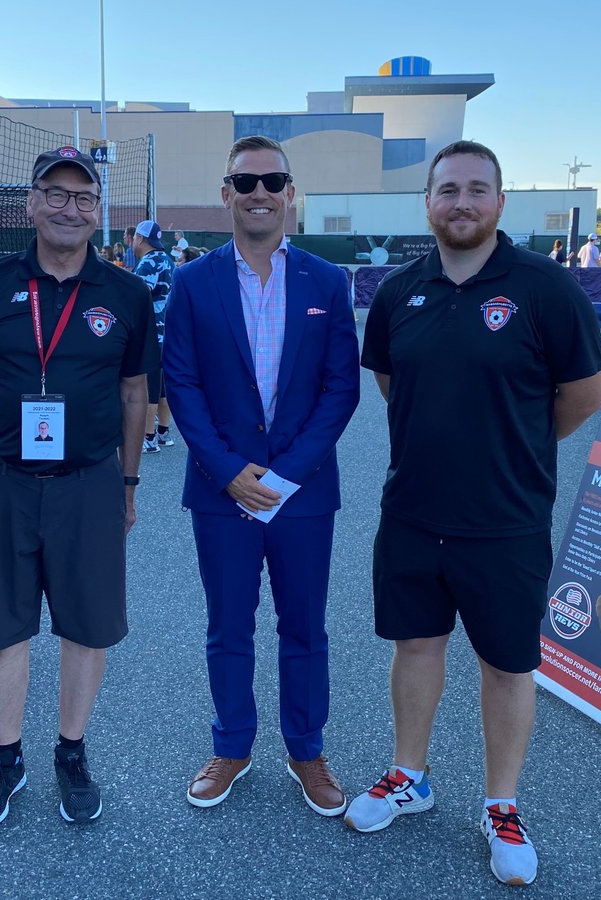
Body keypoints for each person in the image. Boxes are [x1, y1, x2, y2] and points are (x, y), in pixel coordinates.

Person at [351, 141, 601, 887]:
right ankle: (410, 776)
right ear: (427, 203)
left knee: (507, 664)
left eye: (477, 190)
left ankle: (501, 805)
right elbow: (394, 385)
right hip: (413, 510)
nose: (461, 202)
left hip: (506, 518)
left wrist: (514, 447)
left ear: (500, 202)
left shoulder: (545, 289)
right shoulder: (399, 292)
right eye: (447, 190)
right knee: (418, 647)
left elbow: (583, 396)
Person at [0, 146, 158, 830]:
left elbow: (133, 396)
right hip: (1, 480)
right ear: (30, 204)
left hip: (89, 483)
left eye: (83, 197)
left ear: (99, 212)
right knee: (2, 630)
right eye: (55, 194)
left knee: (85, 628)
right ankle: (7, 759)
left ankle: (71, 752)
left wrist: (127, 483)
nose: (70, 208)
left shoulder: (125, 294)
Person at [163, 135, 360, 818]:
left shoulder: (326, 281)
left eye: (272, 181)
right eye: (245, 182)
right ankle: (233, 746)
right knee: (228, 627)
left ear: (289, 192)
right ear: (226, 194)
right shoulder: (193, 281)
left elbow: (341, 391)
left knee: (305, 629)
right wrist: (227, 471)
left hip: (301, 494)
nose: (259, 193)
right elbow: (180, 385)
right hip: (223, 493)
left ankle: (306, 749)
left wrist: (284, 475)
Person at [131, 219, 176, 452]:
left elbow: (139, 298)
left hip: (151, 335)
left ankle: (148, 437)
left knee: (148, 386)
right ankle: (163, 432)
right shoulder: (169, 261)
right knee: (163, 386)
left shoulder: (148, 263)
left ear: (140, 238)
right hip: (168, 334)